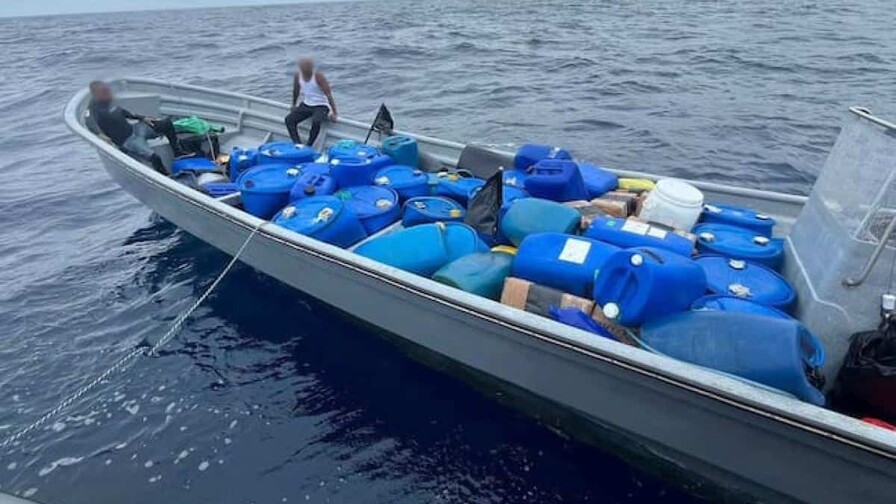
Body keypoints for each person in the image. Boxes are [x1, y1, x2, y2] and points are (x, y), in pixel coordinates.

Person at [87, 80, 183, 173]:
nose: (108, 92)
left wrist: (142, 118)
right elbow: (89, 121)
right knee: (154, 157)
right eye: (104, 91)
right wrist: (100, 134)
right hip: (128, 141)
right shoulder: (94, 108)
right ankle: (165, 175)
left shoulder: (109, 101)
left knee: (166, 123)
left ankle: (178, 152)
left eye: (107, 90)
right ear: (96, 94)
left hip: (135, 130)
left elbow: (123, 112)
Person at [284, 57, 338, 147]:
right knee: (289, 120)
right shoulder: (298, 76)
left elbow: (328, 95)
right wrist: (294, 104)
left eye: (308, 67)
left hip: (321, 105)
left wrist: (334, 112)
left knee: (316, 121)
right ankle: (298, 144)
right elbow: (296, 91)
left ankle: (309, 145)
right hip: (307, 104)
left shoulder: (318, 77)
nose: (306, 70)